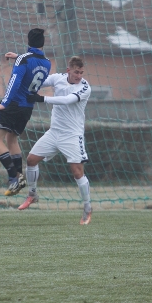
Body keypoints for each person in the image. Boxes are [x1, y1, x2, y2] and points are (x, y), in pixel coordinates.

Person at [17, 57, 93, 225]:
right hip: (54, 132)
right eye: (76, 72)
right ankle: (32, 194)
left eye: (81, 72)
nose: (79, 76)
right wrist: (21, 70)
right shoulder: (58, 78)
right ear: (69, 70)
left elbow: (67, 101)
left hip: (72, 135)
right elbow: (38, 81)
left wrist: (41, 99)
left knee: (77, 172)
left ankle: (87, 208)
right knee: (31, 160)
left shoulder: (84, 87)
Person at [0, 28, 51, 197]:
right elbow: (33, 67)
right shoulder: (46, 62)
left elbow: (15, 81)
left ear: (28, 42)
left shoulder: (24, 59)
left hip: (14, 104)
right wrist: (18, 57)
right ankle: (19, 177)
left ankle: (13, 177)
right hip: (27, 108)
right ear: (42, 43)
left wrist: (4, 103)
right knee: (12, 138)